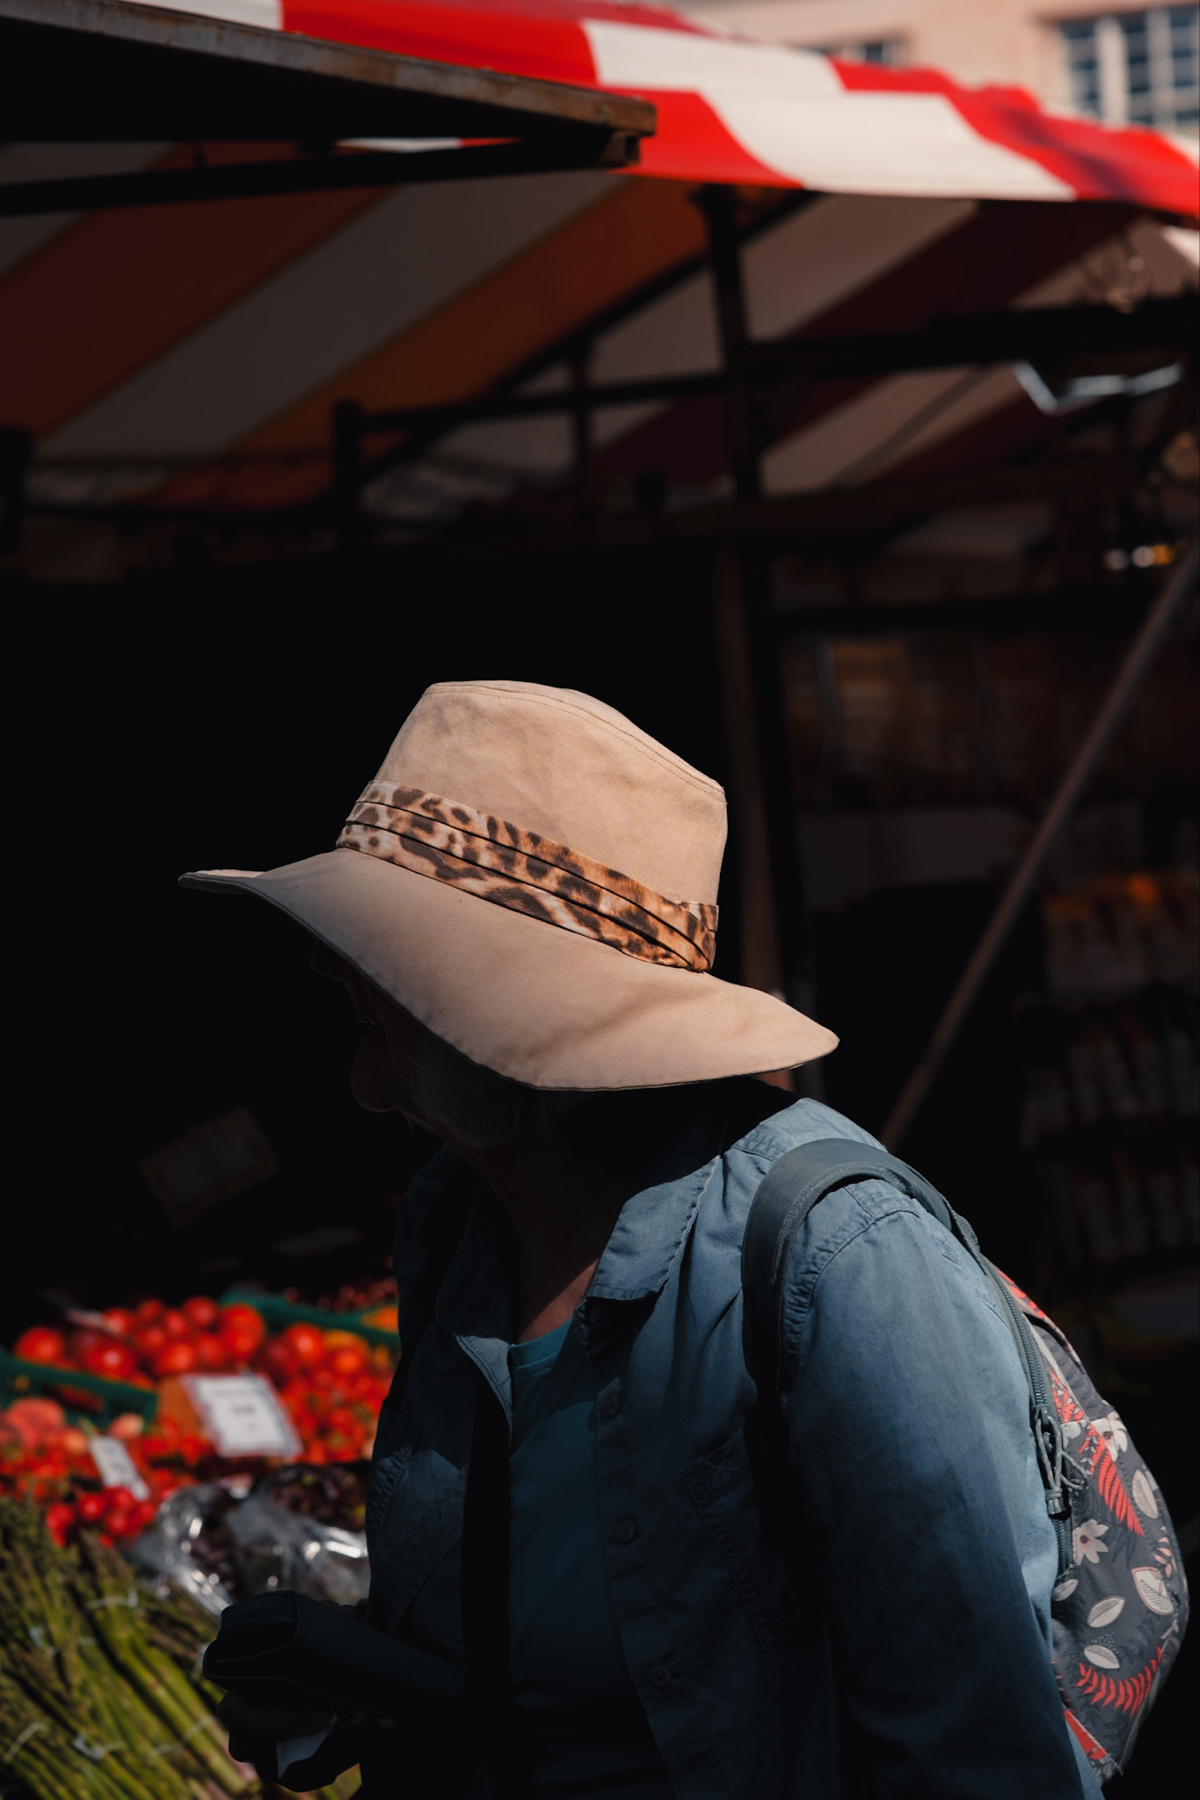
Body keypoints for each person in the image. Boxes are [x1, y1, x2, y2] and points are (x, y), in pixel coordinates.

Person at [190, 680, 1099, 1798]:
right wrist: (354, 1696)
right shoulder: (456, 1214)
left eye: (379, 972)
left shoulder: (843, 1262)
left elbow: (979, 1754)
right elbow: (524, 1673)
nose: (333, 982)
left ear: (518, 1011)